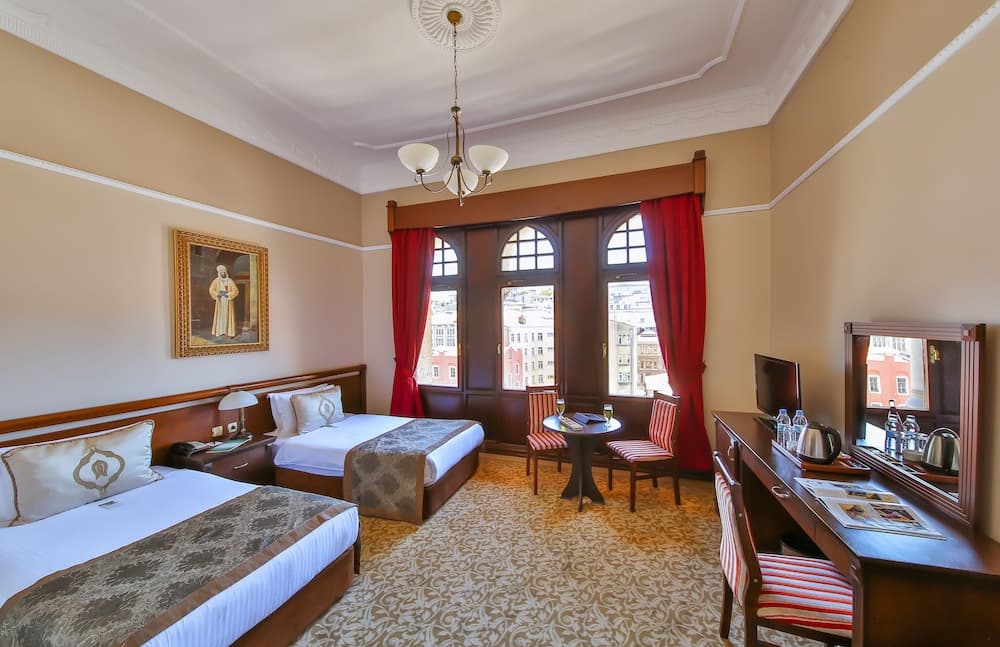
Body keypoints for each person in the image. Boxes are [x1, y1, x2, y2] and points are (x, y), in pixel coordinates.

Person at [209, 264, 239, 337]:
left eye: (224, 272)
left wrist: (228, 294)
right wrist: (217, 294)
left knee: (228, 316)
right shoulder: (216, 281)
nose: (223, 274)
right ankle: (220, 331)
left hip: (228, 301)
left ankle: (228, 332)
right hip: (220, 301)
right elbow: (211, 290)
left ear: (226, 272)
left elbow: (235, 290)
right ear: (219, 273)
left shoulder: (230, 281)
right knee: (220, 316)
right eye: (221, 272)